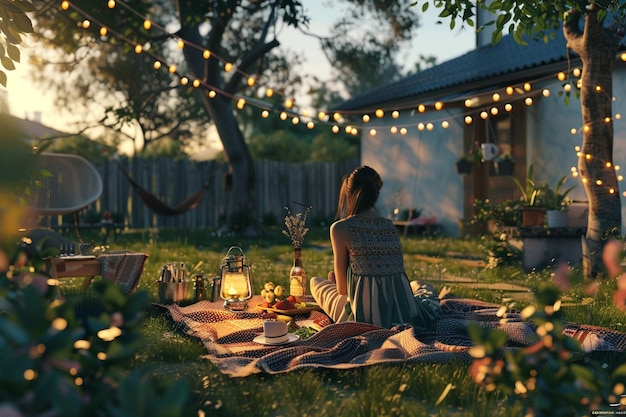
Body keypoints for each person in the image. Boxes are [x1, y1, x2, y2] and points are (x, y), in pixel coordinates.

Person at [310, 166, 442, 330]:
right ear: (376, 194)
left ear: (348, 193)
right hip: (404, 314)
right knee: (420, 285)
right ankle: (417, 286)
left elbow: (343, 291)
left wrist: (336, 281)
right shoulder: (389, 226)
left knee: (315, 282)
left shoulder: (340, 228)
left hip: (360, 319)